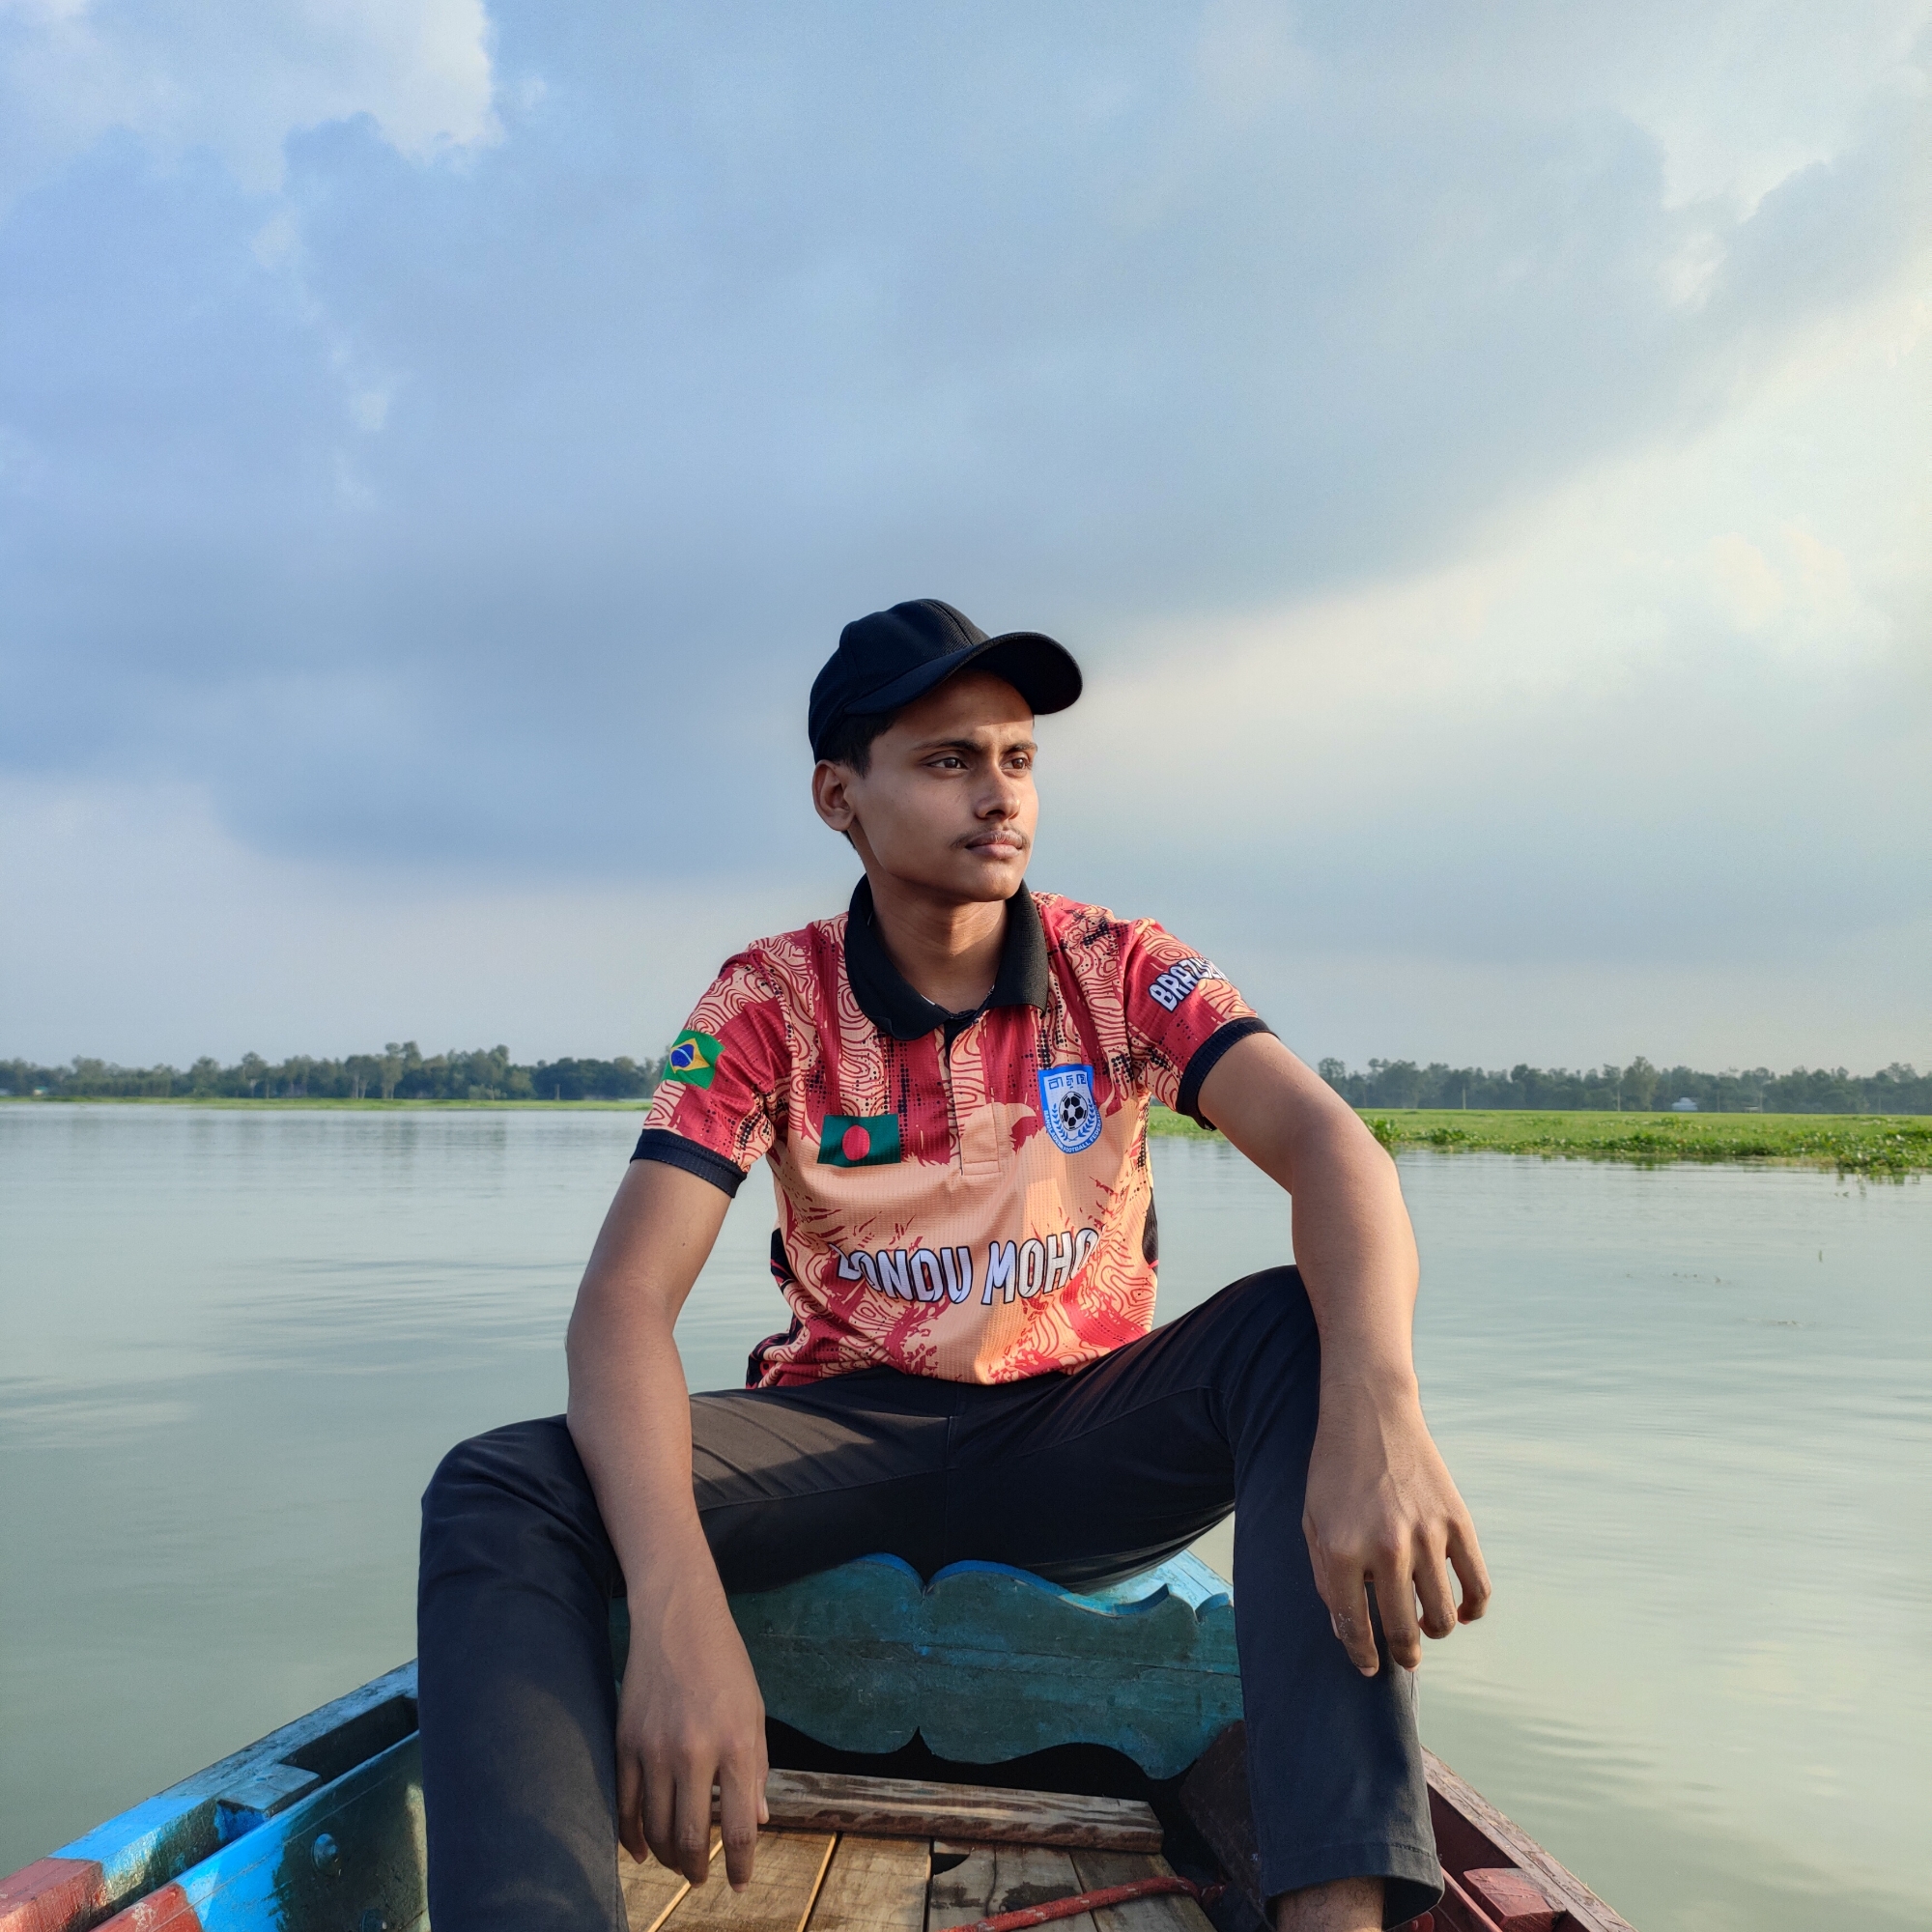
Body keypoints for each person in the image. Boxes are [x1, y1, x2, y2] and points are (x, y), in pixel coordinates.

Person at [417, 598, 1491, 1932]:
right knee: (500, 1491)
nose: (999, 796)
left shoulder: (1121, 970)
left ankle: (1332, 1917)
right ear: (839, 796)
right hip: (842, 1438)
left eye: (1018, 759)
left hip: (1080, 1436)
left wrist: (1382, 1411)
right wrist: (682, 1610)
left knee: (1297, 1330)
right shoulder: (768, 1002)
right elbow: (624, 1303)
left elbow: (1336, 1153)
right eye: (947, 761)